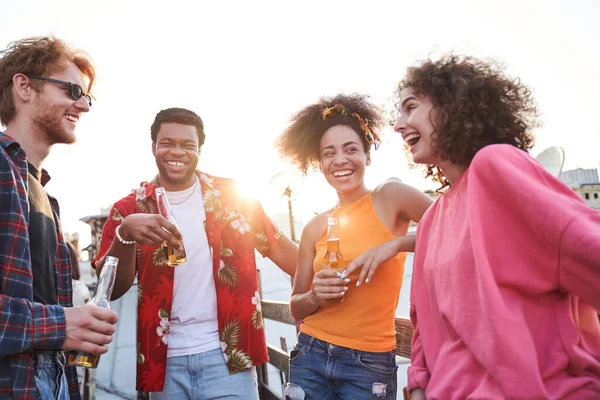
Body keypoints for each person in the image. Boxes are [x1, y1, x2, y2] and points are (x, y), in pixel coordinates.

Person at [393, 55, 600, 399]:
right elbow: (424, 334)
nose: (399, 125)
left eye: (410, 107)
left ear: (451, 105)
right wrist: (417, 389)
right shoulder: (430, 221)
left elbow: (589, 249)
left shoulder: (496, 166)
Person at [93, 107, 298, 399]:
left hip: (230, 361)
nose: (177, 151)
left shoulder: (234, 197)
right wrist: (124, 235)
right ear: (153, 147)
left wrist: (317, 297)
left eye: (188, 144)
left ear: (200, 150)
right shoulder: (128, 210)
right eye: (167, 143)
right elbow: (110, 289)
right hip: (163, 364)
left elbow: (289, 256)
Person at [275, 93, 432, 400]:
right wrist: (315, 295)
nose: (340, 160)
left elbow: (456, 228)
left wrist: (397, 244)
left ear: (367, 156)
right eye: (329, 153)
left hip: (369, 364)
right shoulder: (314, 227)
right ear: (319, 163)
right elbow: (296, 305)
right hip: (311, 354)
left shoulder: (391, 196)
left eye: (351, 149)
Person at [0, 36, 118, 400]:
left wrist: (73, 328)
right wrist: (61, 324)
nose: (82, 105)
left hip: (50, 378)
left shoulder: (46, 198)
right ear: (24, 86)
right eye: (71, 90)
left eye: (87, 97)